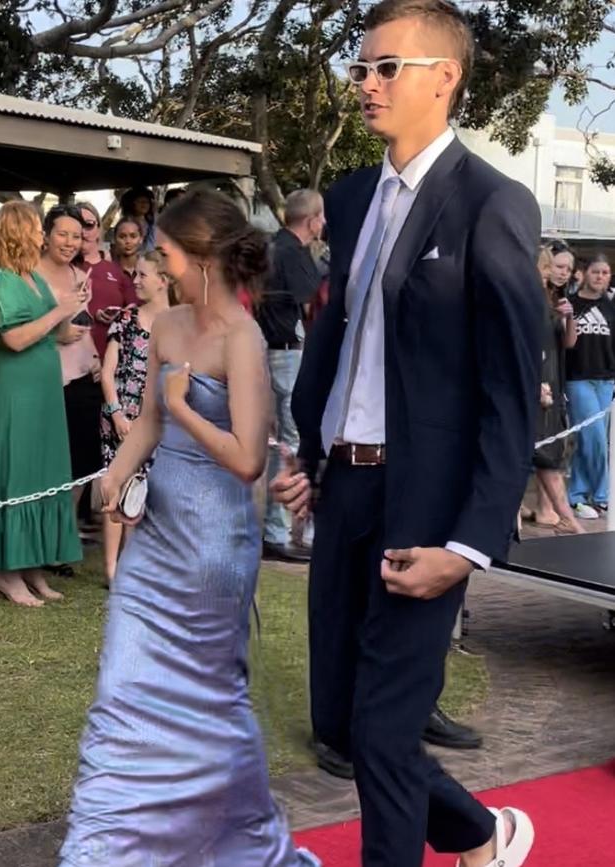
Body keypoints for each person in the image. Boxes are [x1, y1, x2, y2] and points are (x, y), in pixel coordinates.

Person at [272, 2, 543, 866]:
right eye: (360, 68)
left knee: (387, 733)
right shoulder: (351, 198)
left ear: (444, 77)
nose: (366, 84)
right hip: (345, 488)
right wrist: (308, 453)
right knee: (349, 726)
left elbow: (510, 394)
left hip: (425, 503)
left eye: (386, 67)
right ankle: (481, 834)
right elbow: (338, 337)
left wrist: (469, 542)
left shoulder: (491, 204)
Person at [59, 188, 319, 867]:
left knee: (210, 704)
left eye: (169, 252)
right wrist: (117, 475)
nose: (160, 263)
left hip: (215, 547)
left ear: (203, 256)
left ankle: (240, 838)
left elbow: (247, 459)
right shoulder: (166, 324)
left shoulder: (244, 337)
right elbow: (147, 421)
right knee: (120, 689)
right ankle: (104, 849)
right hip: (157, 540)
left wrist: (185, 405)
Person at [0, 201, 84, 606]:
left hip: (44, 387)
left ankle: (32, 565)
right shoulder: (0, 277)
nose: (43, 236)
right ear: (16, 232)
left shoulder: (34, 278)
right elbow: (13, 339)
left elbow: (48, 334)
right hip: (15, 389)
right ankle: (6, 572)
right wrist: (59, 310)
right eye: (36, 230)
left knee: (44, 471)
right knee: (19, 472)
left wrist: (70, 312)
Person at [255, 190, 324, 562]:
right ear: (311, 220)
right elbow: (312, 294)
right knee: (289, 444)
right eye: (321, 218)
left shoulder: (271, 248)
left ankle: (276, 529)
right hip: (284, 354)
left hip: (274, 352)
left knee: (281, 443)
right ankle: (277, 531)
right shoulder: (291, 253)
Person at [99, 250, 169, 584]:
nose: (136, 281)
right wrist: (115, 414)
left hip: (157, 421)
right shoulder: (126, 319)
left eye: (143, 275)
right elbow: (108, 371)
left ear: (163, 281)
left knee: (145, 492)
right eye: (135, 274)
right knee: (116, 486)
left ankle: (136, 566)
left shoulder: (179, 324)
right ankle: (112, 568)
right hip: (120, 417)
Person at [38, 205, 102, 526]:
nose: (69, 242)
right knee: (46, 464)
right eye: (62, 234)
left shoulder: (80, 276)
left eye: (76, 236)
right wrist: (56, 334)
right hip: (44, 380)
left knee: (82, 464)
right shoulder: (29, 274)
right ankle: (43, 535)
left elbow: (84, 326)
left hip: (81, 379)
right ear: (46, 235)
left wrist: (95, 360)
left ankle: (64, 535)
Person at [523, 247, 583, 533]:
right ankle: (565, 517)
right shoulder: (529, 300)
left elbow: (568, 343)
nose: (556, 272)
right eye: (550, 266)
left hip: (551, 383)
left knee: (548, 455)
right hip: (535, 384)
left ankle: (561, 515)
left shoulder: (554, 299)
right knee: (538, 455)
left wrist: (569, 318)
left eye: (563, 268)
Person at [565, 253, 615, 518]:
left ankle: (577, 495)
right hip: (578, 379)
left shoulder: (611, 307)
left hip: (606, 381)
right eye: (596, 272)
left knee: (593, 440)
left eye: (605, 273)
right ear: (584, 273)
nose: (600, 277)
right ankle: (602, 494)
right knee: (593, 436)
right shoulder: (570, 304)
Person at [76, 201, 138, 360]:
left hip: (112, 360)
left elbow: (135, 306)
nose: (83, 232)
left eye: (88, 225)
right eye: (77, 225)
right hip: (75, 361)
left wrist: (119, 314)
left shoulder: (115, 270)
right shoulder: (65, 268)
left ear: (98, 229)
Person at [119, 185, 156, 252]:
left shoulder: (152, 223)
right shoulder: (125, 223)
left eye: (147, 202)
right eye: (141, 201)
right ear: (132, 203)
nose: (144, 204)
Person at [113, 217, 143, 287]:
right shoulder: (107, 270)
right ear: (115, 239)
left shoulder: (150, 270)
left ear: (141, 239)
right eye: (122, 237)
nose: (128, 241)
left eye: (133, 236)